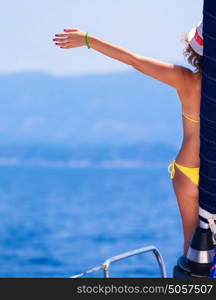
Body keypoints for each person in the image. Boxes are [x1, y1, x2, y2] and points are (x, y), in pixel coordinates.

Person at [53, 21, 203, 255]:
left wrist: (88, 40)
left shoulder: (185, 80)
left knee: (191, 246)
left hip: (187, 172)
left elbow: (133, 59)